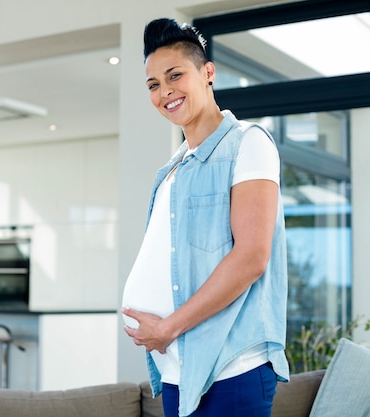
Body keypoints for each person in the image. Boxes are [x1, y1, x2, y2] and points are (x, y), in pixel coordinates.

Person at [121, 18, 289, 417]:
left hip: (231, 370)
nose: (165, 92)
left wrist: (168, 327)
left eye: (175, 75)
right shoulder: (173, 168)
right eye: (153, 85)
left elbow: (251, 258)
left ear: (207, 72)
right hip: (179, 371)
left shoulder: (248, 144)